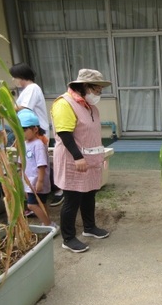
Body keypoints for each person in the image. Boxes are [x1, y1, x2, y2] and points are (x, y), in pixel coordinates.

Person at [51, 68, 111, 253]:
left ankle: (89, 227)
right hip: (73, 161)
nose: (99, 93)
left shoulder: (88, 105)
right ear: (85, 86)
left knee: (89, 195)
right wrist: (77, 157)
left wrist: (100, 157)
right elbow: (64, 133)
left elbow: (92, 135)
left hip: (91, 161)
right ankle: (68, 238)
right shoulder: (64, 103)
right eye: (97, 89)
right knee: (72, 199)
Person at [9, 62, 64, 207]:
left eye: (14, 77)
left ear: (20, 76)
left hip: (36, 132)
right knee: (36, 161)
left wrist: (4, 108)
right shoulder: (27, 90)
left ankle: (58, 189)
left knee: (40, 161)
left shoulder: (32, 88)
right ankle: (43, 190)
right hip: (29, 131)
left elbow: (24, 108)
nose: (13, 81)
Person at [17, 109, 59, 233]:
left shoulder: (38, 145)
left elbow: (42, 165)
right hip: (29, 181)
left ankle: (49, 225)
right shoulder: (25, 143)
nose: (22, 133)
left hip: (36, 182)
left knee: (31, 205)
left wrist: (40, 181)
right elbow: (21, 161)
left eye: (24, 130)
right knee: (41, 203)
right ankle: (47, 222)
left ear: (35, 129)